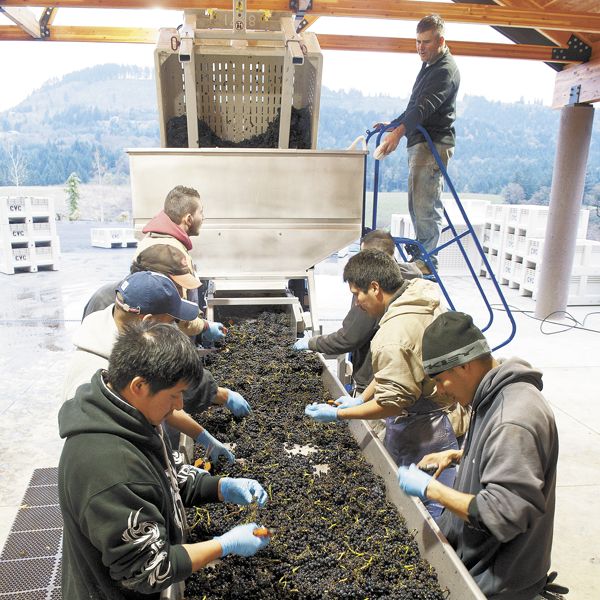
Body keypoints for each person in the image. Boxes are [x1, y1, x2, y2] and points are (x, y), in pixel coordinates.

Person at [58, 321, 271, 600]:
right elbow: (148, 569)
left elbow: (164, 478)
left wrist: (221, 487)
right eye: (175, 394)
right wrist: (223, 545)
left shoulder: (131, 416)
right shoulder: (110, 468)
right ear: (139, 386)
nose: (180, 405)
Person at [397, 311, 562, 600]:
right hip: (483, 560)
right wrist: (462, 453)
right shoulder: (494, 393)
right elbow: (511, 457)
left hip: (500, 582)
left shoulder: (512, 418)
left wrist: (431, 490)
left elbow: (502, 514)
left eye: (440, 380)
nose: (439, 391)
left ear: (465, 366)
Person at [304, 249, 468, 518]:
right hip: (442, 413)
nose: (356, 302)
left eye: (357, 294)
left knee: (430, 510)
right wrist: (362, 398)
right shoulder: (418, 293)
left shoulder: (393, 332)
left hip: (429, 428)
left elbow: (393, 403)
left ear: (376, 288)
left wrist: (340, 413)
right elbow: (398, 369)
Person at [63, 271, 246, 463]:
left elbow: (160, 404)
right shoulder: (98, 376)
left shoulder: (121, 332)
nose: (174, 328)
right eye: (171, 322)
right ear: (148, 322)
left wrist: (203, 437)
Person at [79, 244, 251, 423]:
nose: (181, 292)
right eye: (176, 285)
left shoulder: (132, 309)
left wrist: (204, 327)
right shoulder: (98, 373)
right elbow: (167, 374)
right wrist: (219, 394)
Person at [375, 15, 460, 274]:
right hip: (421, 142)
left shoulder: (445, 69)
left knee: (425, 203)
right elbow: (413, 107)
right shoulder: (429, 67)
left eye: (426, 42)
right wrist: (394, 125)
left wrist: (398, 133)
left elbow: (424, 108)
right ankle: (423, 256)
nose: (420, 47)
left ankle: (427, 263)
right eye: (417, 42)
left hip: (433, 143)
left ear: (440, 40)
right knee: (416, 202)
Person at [293, 230, 421, 394]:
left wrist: (312, 343)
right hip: (382, 384)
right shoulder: (411, 280)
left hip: (375, 386)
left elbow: (348, 339)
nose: (358, 300)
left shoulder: (376, 297)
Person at [136, 184, 223, 342]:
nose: (203, 218)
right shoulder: (167, 253)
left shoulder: (158, 239)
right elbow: (177, 312)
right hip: (161, 339)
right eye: (201, 212)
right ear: (189, 219)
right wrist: (205, 326)